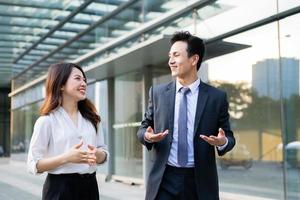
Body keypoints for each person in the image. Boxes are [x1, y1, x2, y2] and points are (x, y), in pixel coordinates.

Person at [137, 31, 235, 200]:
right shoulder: (158, 93)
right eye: (170, 56)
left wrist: (222, 142)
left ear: (194, 59)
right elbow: (144, 127)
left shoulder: (216, 98)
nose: (170, 61)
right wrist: (147, 135)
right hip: (164, 180)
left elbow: (229, 137)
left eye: (176, 55)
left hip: (199, 183)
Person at [27, 63, 108, 200]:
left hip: (90, 188)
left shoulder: (93, 119)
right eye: (77, 78)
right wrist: (66, 158)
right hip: (60, 190)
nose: (83, 83)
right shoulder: (46, 121)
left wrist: (98, 154)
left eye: (84, 80)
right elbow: (33, 164)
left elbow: (104, 153)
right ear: (61, 85)